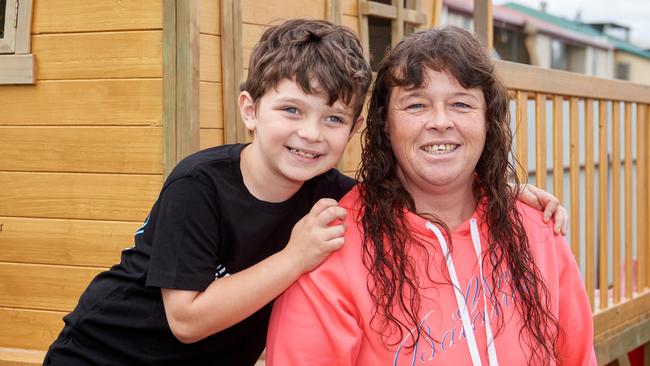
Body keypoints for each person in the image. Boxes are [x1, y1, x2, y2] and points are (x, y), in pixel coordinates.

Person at [43, 19, 565, 365]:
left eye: (332, 118)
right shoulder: (198, 184)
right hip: (103, 354)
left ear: (356, 127)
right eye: (291, 110)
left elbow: (410, 192)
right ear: (250, 109)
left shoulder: (330, 193)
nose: (311, 134)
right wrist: (296, 257)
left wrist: (502, 192)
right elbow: (186, 320)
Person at [266, 26, 595, 365]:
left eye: (461, 103)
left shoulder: (538, 229)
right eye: (417, 104)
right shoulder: (332, 247)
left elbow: (579, 356)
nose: (440, 121)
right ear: (384, 123)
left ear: (487, 119)